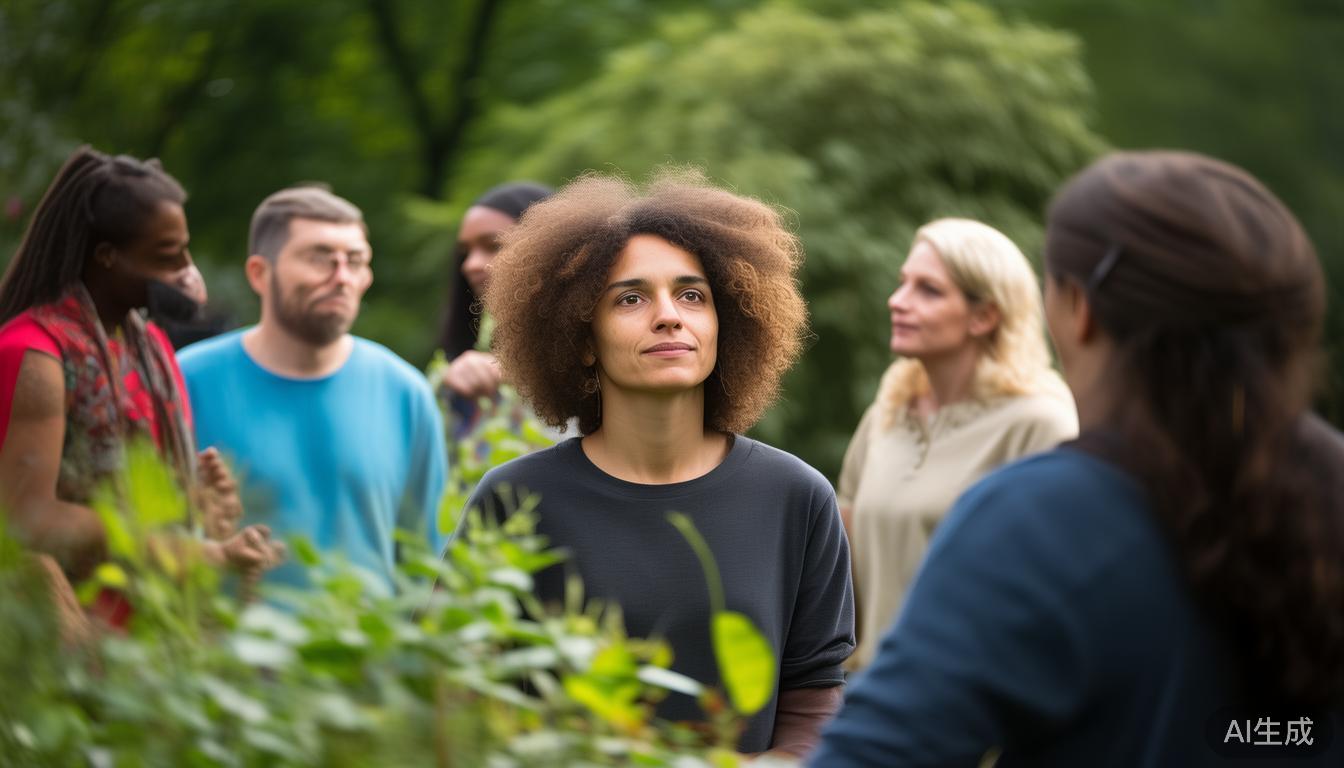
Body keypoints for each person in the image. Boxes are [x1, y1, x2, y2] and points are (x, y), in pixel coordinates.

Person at [811, 151, 1344, 766]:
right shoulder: (1324, 484)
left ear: (1079, 309)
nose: (900, 301)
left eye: (929, 288)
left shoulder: (1039, 515)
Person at [466, 171, 855, 757]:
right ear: (582, 337)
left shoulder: (795, 496)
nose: (669, 316)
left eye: (692, 294)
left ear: (728, 322)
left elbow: (814, 695)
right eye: (630, 298)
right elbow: (462, 698)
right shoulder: (516, 499)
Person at [0, 147, 281, 626]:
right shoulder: (34, 353)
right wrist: (193, 551)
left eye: (185, 248)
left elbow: (144, 499)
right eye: (167, 255)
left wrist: (204, 510)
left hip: (150, 633)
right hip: (56, 639)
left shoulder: (150, 348)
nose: (187, 270)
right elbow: (27, 518)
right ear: (108, 257)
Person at [179, 185, 449, 595]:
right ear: (259, 273)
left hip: (367, 654)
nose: (341, 277)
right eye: (320, 258)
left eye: (354, 261)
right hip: (223, 652)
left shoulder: (405, 393)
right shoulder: (185, 380)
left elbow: (427, 562)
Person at [837, 218, 1077, 671]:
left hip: (976, 707)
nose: (897, 301)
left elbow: (1056, 596)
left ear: (984, 315)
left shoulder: (1041, 424)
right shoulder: (885, 415)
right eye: (902, 283)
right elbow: (841, 575)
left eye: (927, 290)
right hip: (869, 695)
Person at [434, 181, 561, 450]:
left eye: (492, 245)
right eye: (465, 252)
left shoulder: (605, 349)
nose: (470, 264)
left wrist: (516, 370)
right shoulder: (467, 364)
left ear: (548, 247)